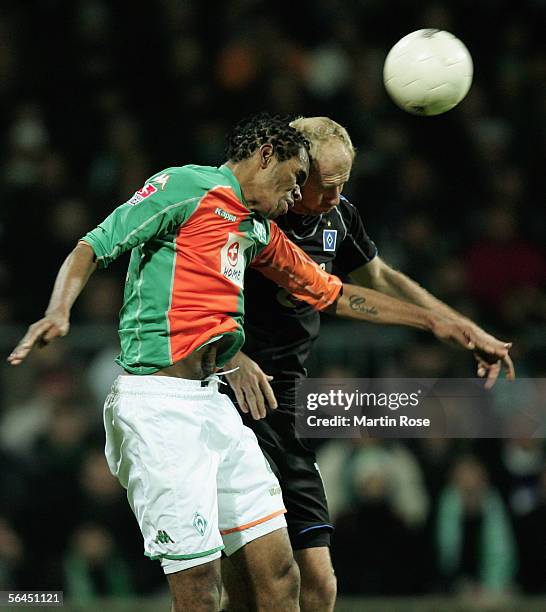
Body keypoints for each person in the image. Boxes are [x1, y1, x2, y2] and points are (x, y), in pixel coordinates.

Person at [8, 113, 512, 612]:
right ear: (266, 157)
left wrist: (437, 323)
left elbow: (333, 293)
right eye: (295, 181)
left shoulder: (259, 232)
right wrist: (58, 309)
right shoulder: (185, 186)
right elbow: (93, 244)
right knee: (202, 590)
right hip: (161, 406)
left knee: (281, 574)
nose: (297, 197)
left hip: (215, 407)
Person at [223, 116, 515, 612]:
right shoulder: (249, 217)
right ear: (296, 171)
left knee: (319, 586)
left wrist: (462, 327)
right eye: (326, 185)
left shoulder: (339, 218)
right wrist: (231, 354)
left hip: (287, 405)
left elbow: (379, 277)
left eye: (345, 184)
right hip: (232, 398)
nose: (336, 196)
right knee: (257, 586)